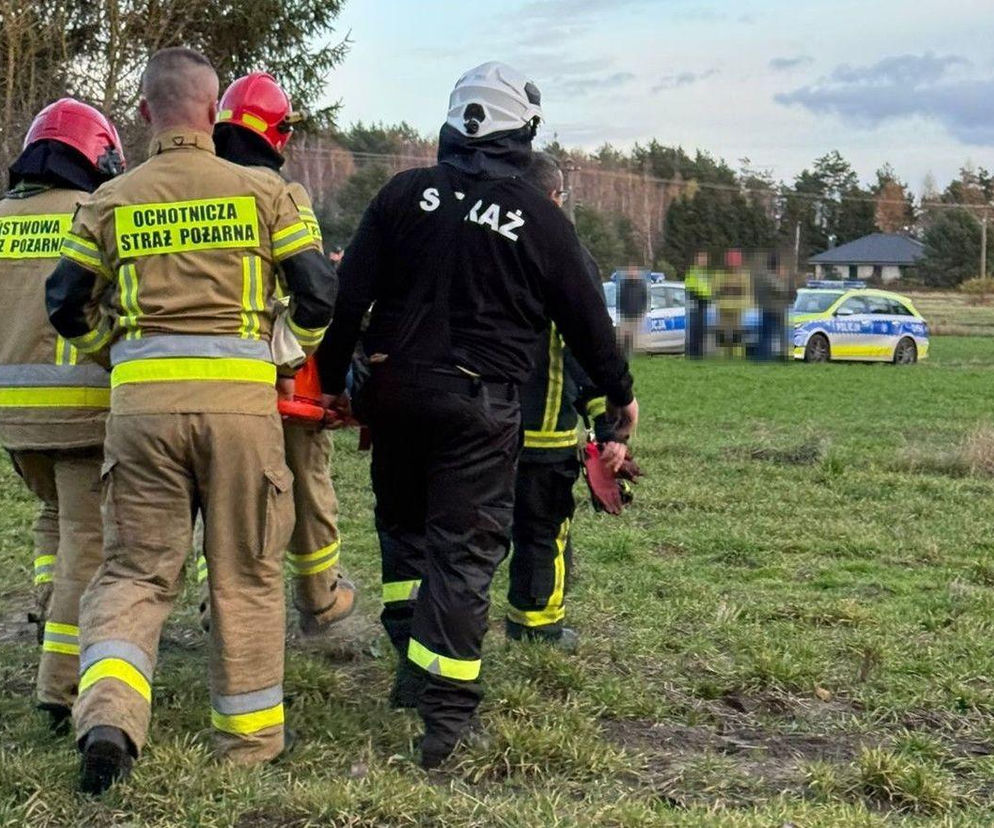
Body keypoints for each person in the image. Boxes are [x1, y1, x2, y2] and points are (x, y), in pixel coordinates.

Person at [315, 61, 637, 769]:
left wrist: (334, 375)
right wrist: (619, 395)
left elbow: (346, 296)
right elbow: (587, 320)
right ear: (521, 130)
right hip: (478, 404)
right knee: (463, 556)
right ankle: (447, 720)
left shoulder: (402, 193)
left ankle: (411, 665)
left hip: (393, 392)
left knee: (404, 533)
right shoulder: (540, 218)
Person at [45, 47, 336, 794]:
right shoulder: (266, 196)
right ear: (215, 112)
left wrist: (114, 354)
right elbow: (318, 293)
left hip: (141, 414)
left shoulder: (110, 200)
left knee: (136, 571)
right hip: (241, 414)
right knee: (246, 571)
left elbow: (64, 301)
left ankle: (108, 717)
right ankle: (249, 742)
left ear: (144, 113)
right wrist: (286, 349)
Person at [195, 71, 356, 636]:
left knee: (221, 497)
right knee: (306, 485)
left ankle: (218, 606)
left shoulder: (191, 187)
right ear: (276, 133)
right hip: (282, 380)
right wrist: (287, 358)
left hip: (206, 379)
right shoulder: (280, 195)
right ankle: (319, 597)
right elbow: (314, 290)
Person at [0, 99, 124, 733]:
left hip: (14, 426)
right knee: (88, 542)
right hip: (80, 414)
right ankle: (59, 685)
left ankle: (50, 612)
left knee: (55, 522)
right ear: (96, 154)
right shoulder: (91, 214)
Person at [506, 152, 624, 651]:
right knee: (543, 529)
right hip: (543, 428)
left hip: (474, 423)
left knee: (464, 534)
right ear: (555, 196)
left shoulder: (481, 239)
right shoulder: (568, 251)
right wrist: (608, 428)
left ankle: (434, 631)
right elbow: (587, 343)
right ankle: (537, 627)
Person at [684, 251, 711, 359]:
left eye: (705, 259)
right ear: (697, 260)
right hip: (696, 303)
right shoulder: (693, 272)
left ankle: (700, 354)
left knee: (702, 331)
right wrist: (696, 296)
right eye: (701, 259)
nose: (703, 261)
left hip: (704, 304)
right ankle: (693, 354)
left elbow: (708, 288)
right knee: (694, 331)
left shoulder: (706, 273)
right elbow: (689, 287)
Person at [617, 265, 649, 356]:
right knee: (624, 336)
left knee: (633, 336)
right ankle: (623, 353)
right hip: (626, 314)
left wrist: (642, 311)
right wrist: (622, 311)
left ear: (637, 273)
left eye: (634, 272)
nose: (632, 274)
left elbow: (644, 298)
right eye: (630, 272)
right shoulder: (624, 284)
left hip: (637, 315)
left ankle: (630, 353)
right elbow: (621, 298)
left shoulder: (641, 285)